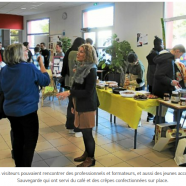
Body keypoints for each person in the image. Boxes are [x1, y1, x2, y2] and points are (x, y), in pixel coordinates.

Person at [0, 43, 50, 167]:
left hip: (11, 111)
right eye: (24, 50)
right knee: (29, 142)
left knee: (17, 139)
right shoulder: (29, 67)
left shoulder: (4, 69)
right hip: (27, 112)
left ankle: (19, 167)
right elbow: (45, 81)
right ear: (18, 54)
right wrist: (42, 64)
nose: (27, 51)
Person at [57, 44, 99, 167]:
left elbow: (87, 92)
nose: (78, 54)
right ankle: (87, 153)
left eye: (81, 52)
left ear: (88, 55)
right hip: (79, 104)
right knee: (84, 131)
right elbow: (76, 87)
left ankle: (91, 159)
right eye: (79, 51)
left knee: (87, 133)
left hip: (87, 105)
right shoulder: (82, 67)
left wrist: (69, 92)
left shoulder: (91, 70)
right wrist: (73, 103)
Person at [153, 44, 186, 122]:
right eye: (180, 55)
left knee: (160, 113)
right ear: (177, 51)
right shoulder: (168, 60)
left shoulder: (166, 57)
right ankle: (159, 132)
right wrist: (171, 81)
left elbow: (165, 73)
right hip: (163, 90)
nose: (179, 57)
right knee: (161, 114)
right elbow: (158, 75)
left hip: (160, 88)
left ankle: (159, 129)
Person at [61, 37, 85, 137]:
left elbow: (64, 67)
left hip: (68, 80)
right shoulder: (77, 54)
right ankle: (77, 128)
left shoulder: (68, 52)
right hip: (76, 82)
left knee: (71, 103)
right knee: (76, 105)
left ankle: (70, 125)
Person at [146, 36, 164, 122]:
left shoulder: (154, 53)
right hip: (154, 81)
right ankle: (154, 117)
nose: (162, 46)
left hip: (152, 80)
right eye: (161, 44)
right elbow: (156, 71)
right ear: (157, 45)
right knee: (153, 100)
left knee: (152, 99)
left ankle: (151, 116)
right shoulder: (154, 55)